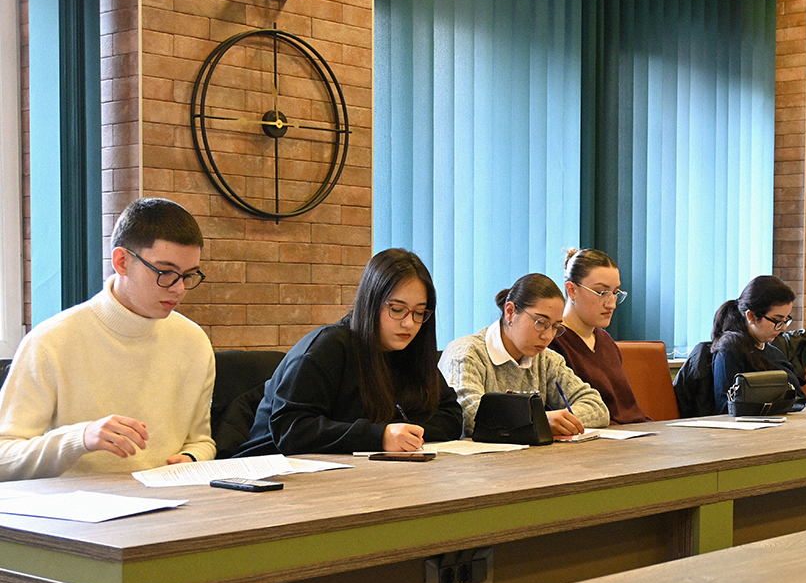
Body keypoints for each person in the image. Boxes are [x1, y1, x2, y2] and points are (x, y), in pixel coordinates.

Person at [0, 198, 216, 480]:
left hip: (169, 499)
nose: (178, 289)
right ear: (121, 262)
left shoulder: (193, 341)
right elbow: (4, 458)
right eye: (165, 273)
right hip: (76, 504)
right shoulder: (51, 341)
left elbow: (201, 441)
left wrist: (191, 458)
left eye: (188, 275)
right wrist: (80, 437)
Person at [236, 249, 462, 456]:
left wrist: (404, 434)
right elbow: (291, 428)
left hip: (356, 471)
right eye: (397, 309)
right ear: (371, 303)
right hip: (273, 469)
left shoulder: (410, 351)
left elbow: (450, 416)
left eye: (419, 313)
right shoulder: (328, 346)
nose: (409, 323)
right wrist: (380, 436)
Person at [438, 273, 609, 437]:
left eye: (555, 327)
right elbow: (468, 418)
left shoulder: (547, 360)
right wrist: (539, 421)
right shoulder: (466, 354)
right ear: (510, 312)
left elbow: (597, 408)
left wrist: (558, 421)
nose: (548, 336)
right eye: (540, 322)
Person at [673, 275, 805, 417]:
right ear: (751, 316)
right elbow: (726, 409)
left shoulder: (774, 353)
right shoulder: (730, 350)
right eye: (777, 320)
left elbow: (798, 400)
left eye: (786, 319)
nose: (783, 327)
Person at [550, 249, 650, 424]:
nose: (611, 304)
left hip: (637, 431)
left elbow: (629, 412)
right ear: (572, 290)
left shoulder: (605, 340)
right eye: (602, 292)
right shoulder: (552, 342)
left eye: (615, 292)